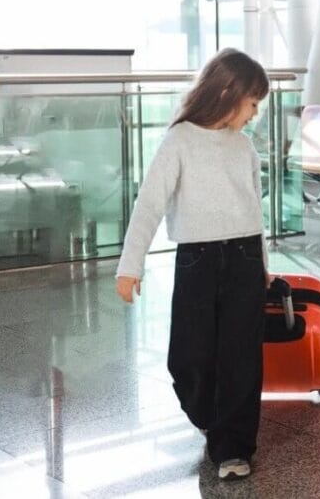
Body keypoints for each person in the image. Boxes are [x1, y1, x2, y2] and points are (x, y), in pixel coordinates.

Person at [115, 47, 272, 481]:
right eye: (252, 103)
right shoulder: (179, 141)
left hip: (243, 259)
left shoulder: (244, 147)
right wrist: (131, 265)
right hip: (197, 262)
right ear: (227, 92)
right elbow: (149, 205)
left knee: (241, 358)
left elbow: (256, 213)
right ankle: (212, 419)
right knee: (188, 359)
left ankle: (233, 446)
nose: (254, 115)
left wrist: (262, 264)